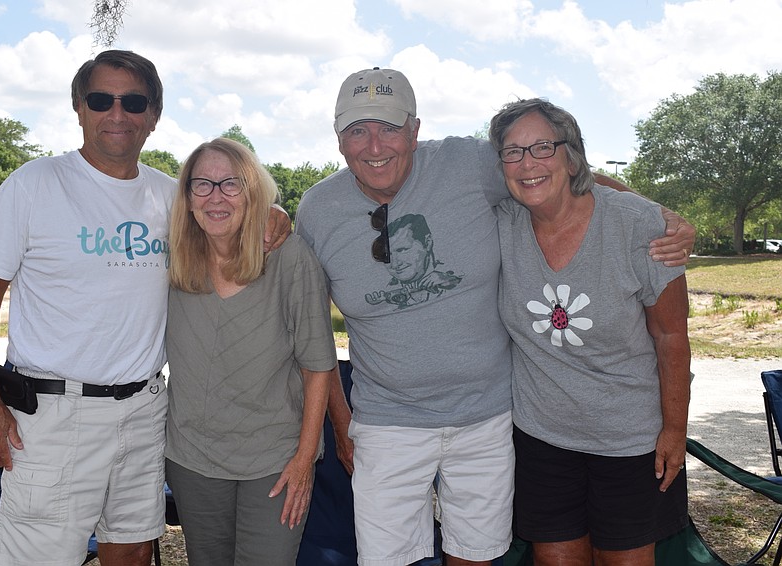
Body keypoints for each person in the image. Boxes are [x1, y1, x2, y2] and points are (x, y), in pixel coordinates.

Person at [294, 67, 695, 566]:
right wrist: (343, 421)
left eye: (390, 127)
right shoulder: (316, 211)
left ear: (415, 130)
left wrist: (658, 215)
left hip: (489, 418)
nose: (374, 144)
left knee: (477, 555)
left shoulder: (465, 163)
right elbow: (310, 332)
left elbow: (559, 175)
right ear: (337, 139)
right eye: (357, 129)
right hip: (389, 422)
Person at [0, 50, 289, 566]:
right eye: (101, 99)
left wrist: (273, 211)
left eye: (133, 102)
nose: (117, 114)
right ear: (79, 107)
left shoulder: (169, 198)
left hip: (144, 410)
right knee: (39, 558)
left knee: (133, 549)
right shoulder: (33, 185)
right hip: (53, 414)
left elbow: (227, 209)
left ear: (153, 115)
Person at [488, 98, 690, 565]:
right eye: (513, 153)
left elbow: (671, 337)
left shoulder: (638, 226)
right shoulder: (500, 223)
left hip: (631, 441)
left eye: (542, 147)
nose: (527, 164)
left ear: (572, 154)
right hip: (541, 438)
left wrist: (675, 429)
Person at [163, 137, 337, 565]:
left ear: (253, 191)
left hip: (274, 462)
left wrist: (303, 460)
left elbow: (318, 364)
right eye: (202, 185)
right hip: (193, 459)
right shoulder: (170, 258)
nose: (216, 196)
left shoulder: (289, 257)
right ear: (186, 198)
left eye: (232, 184)